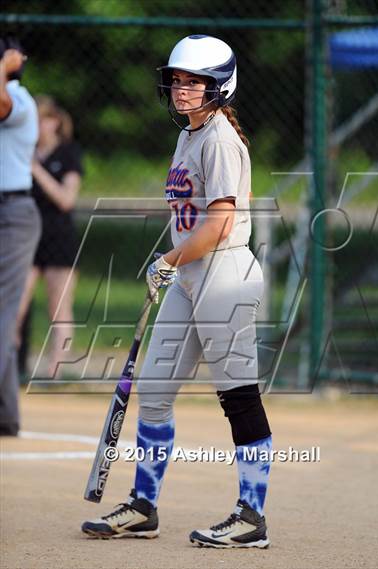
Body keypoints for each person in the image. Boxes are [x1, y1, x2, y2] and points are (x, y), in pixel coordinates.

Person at [82, 35, 272, 549]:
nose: (183, 90)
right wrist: (175, 266)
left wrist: (166, 259)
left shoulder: (219, 140)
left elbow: (218, 223)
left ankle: (252, 517)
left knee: (238, 398)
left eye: (196, 83)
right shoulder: (190, 134)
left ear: (220, 87)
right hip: (192, 278)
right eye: (178, 81)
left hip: (223, 274)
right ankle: (144, 506)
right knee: (156, 391)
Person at [16, 96, 83, 378]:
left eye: (42, 119)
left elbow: (66, 199)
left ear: (55, 122)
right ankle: (9, 366)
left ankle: (55, 371)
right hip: (26, 238)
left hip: (59, 238)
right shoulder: (22, 151)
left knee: (58, 307)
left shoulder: (68, 153)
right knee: (14, 305)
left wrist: (36, 170)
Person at [0, 37, 41, 437]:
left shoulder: (19, 97)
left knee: (2, 312)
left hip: (12, 213)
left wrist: (5, 68)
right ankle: (6, 414)